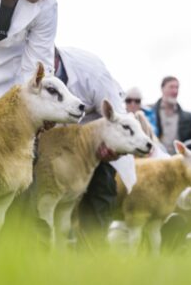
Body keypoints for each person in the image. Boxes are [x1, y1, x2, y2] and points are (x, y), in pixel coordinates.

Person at [54, 46, 134, 247]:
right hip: (56, 144)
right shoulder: (29, 66)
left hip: (97, 142)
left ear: (55, 60)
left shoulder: (90, 72)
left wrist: (111, 149)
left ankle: (92, 255)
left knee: (100, 191)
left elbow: (116, 116)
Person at [149, 76, 191, 155]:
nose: (175, 91)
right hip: (155, 160)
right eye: (171, 87)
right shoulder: (150, 112)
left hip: (177, 161)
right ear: (162, 89)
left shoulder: (187, 117)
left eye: (177, 88)